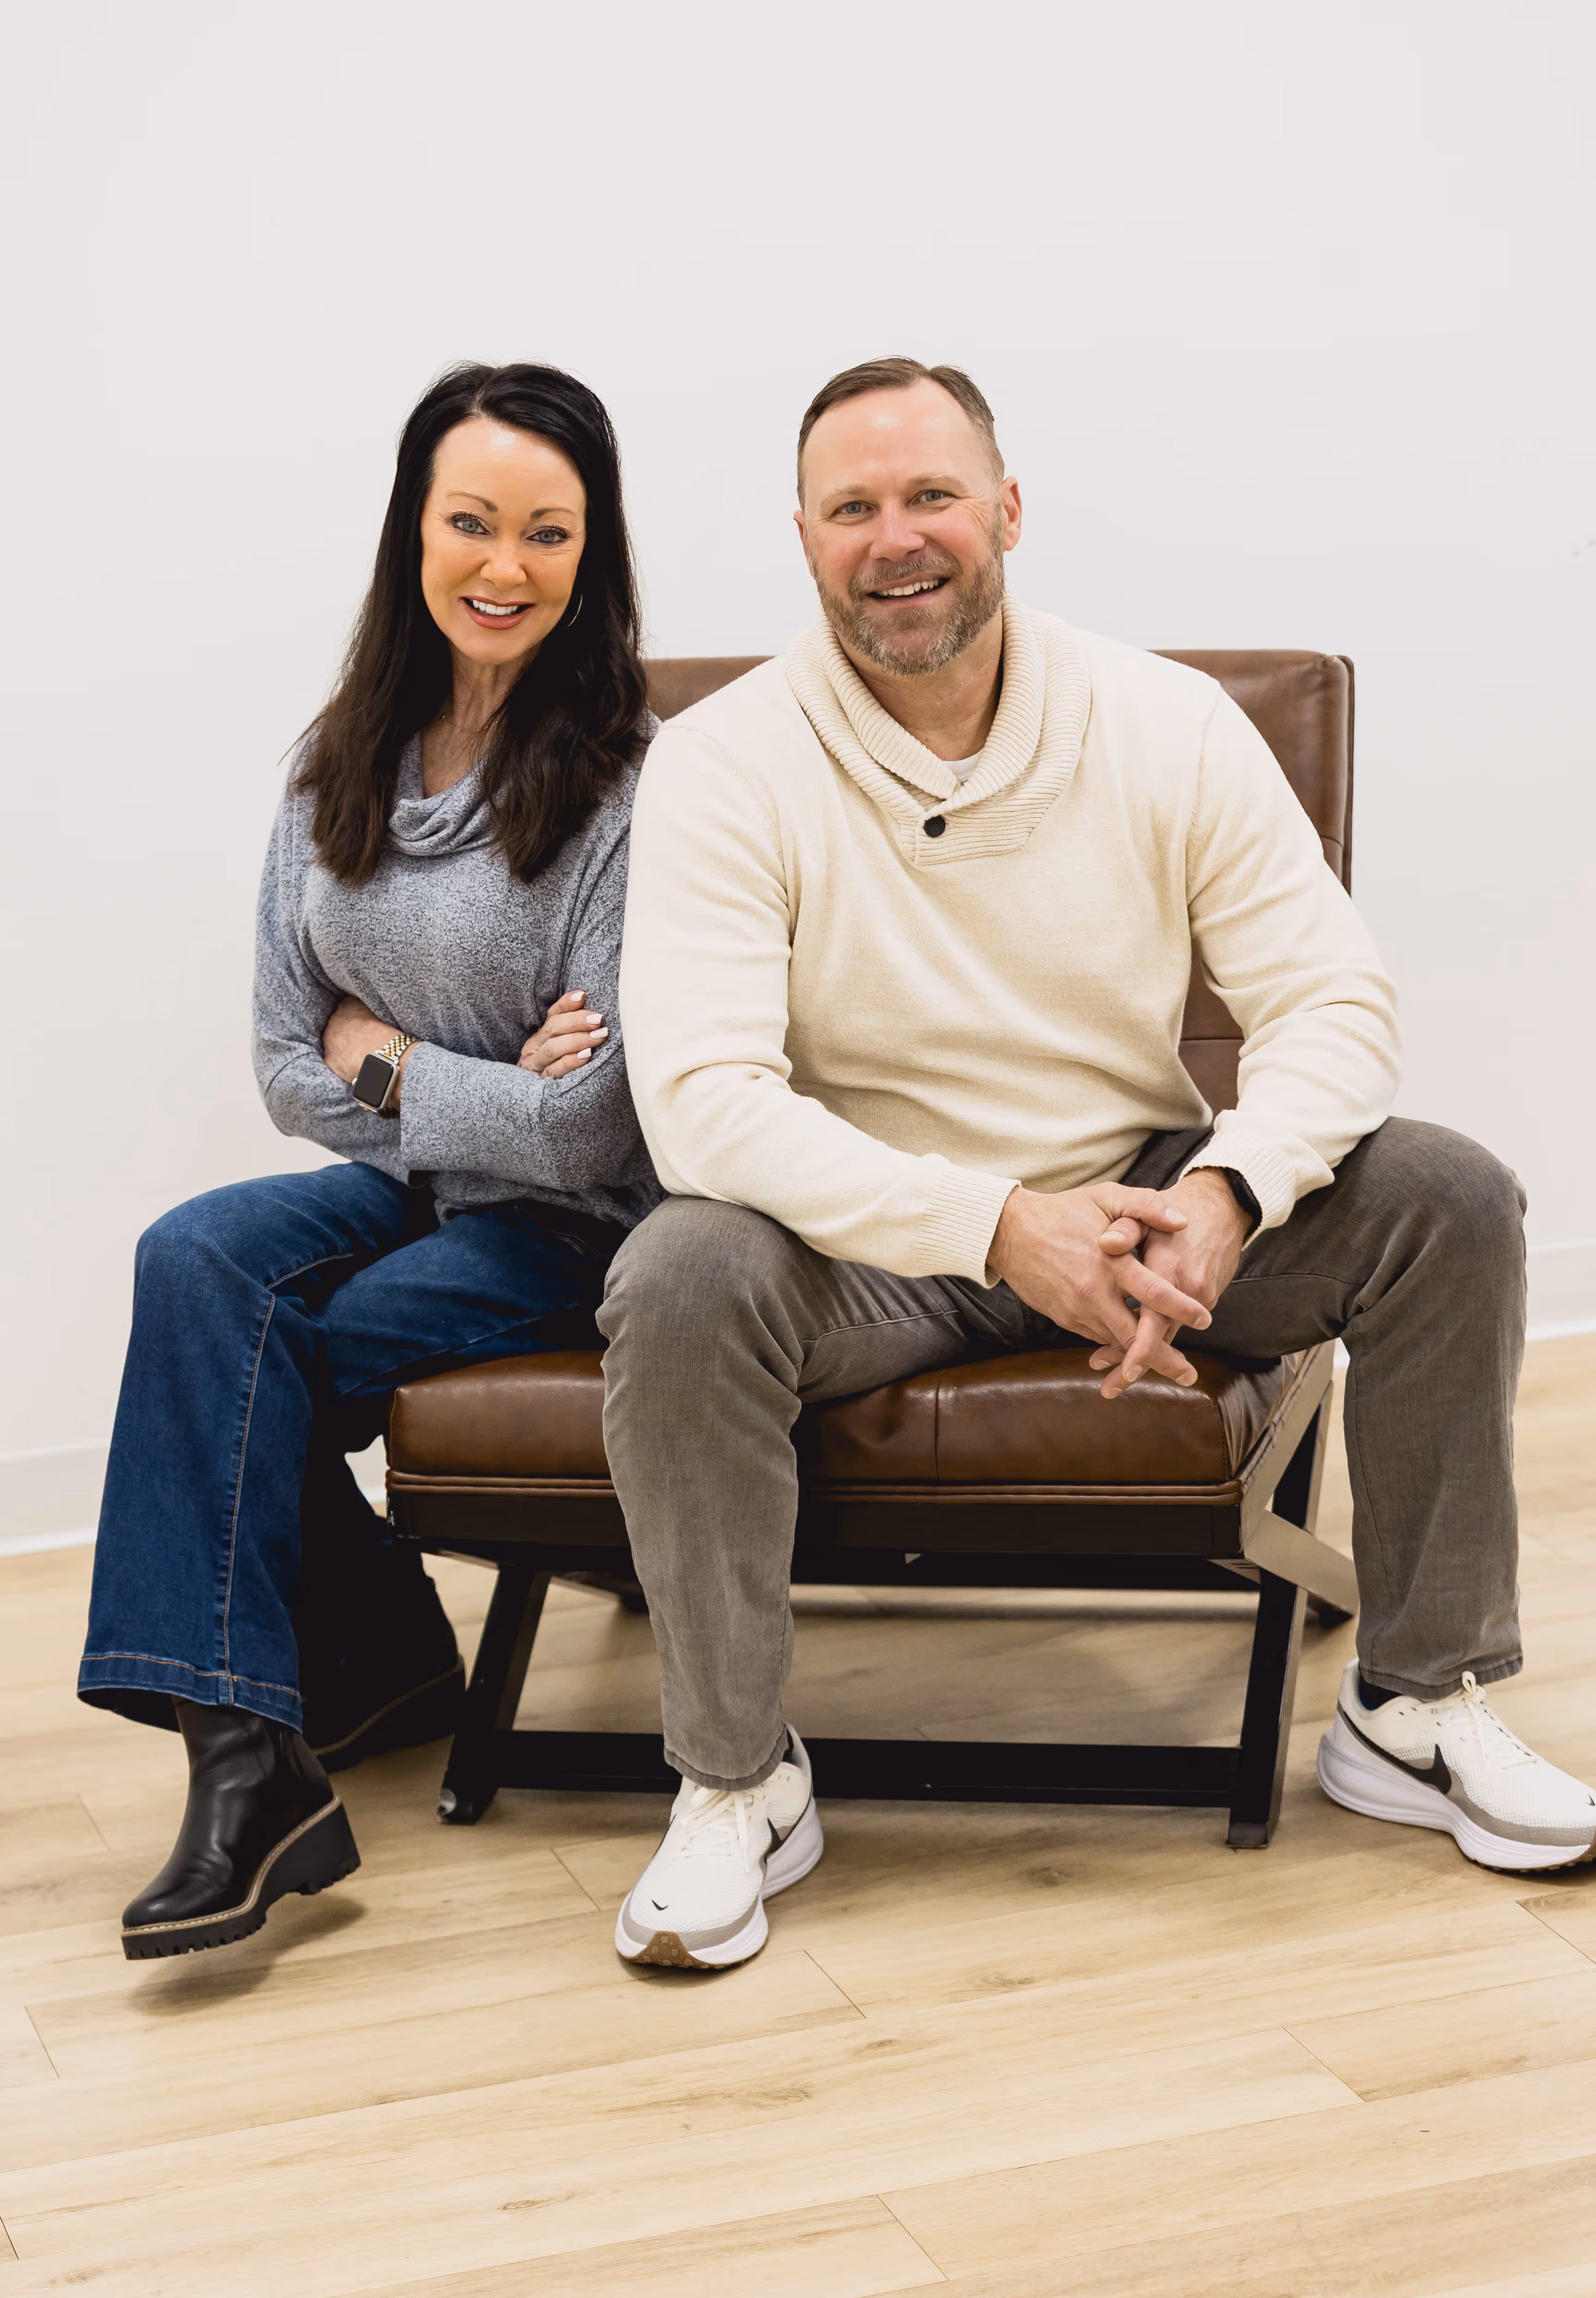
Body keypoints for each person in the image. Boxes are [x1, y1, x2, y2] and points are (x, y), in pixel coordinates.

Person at [599, 353, 1595, 1972]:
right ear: (802, 538)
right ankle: (734, 1779)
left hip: (1144, 1198)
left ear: (1005, 507)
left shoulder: (1161, 720)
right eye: (852, 507)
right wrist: (997, 1229)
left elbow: (1331, 997)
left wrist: (1225, 1194)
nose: (896, 537)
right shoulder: (721, 760)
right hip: (870, 1233)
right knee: (680, 1267)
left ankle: (1414, 1702)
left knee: (1447, 1196)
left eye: (931, 494)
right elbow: (702, 1101)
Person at [80, 361, 661, 1960]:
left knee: (268, 1355)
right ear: (413, 528)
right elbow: (280, 1062)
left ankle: (287, 1741)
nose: (503, 565)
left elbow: (596, 1127)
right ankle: (268, 1743)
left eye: (548, 533)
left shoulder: (627, 782)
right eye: (471, 521)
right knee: (194, 1258)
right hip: (416, 1188)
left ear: (590, 554)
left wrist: (386, 1055)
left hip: (578, 1225)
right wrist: (465, 1085)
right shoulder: (336, 754)